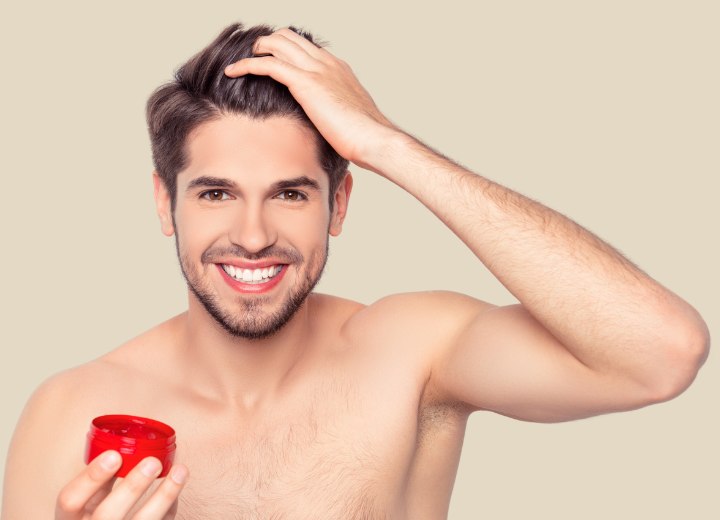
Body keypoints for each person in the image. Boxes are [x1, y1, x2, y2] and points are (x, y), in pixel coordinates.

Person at [1, 21, 710, 520]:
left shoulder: (411, 353)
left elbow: (659, 354)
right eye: (216, 194)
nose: (252, 237)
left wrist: (384, 143)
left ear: (339, 203)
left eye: (291, 193)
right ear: (167, 204)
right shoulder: (69, 412)